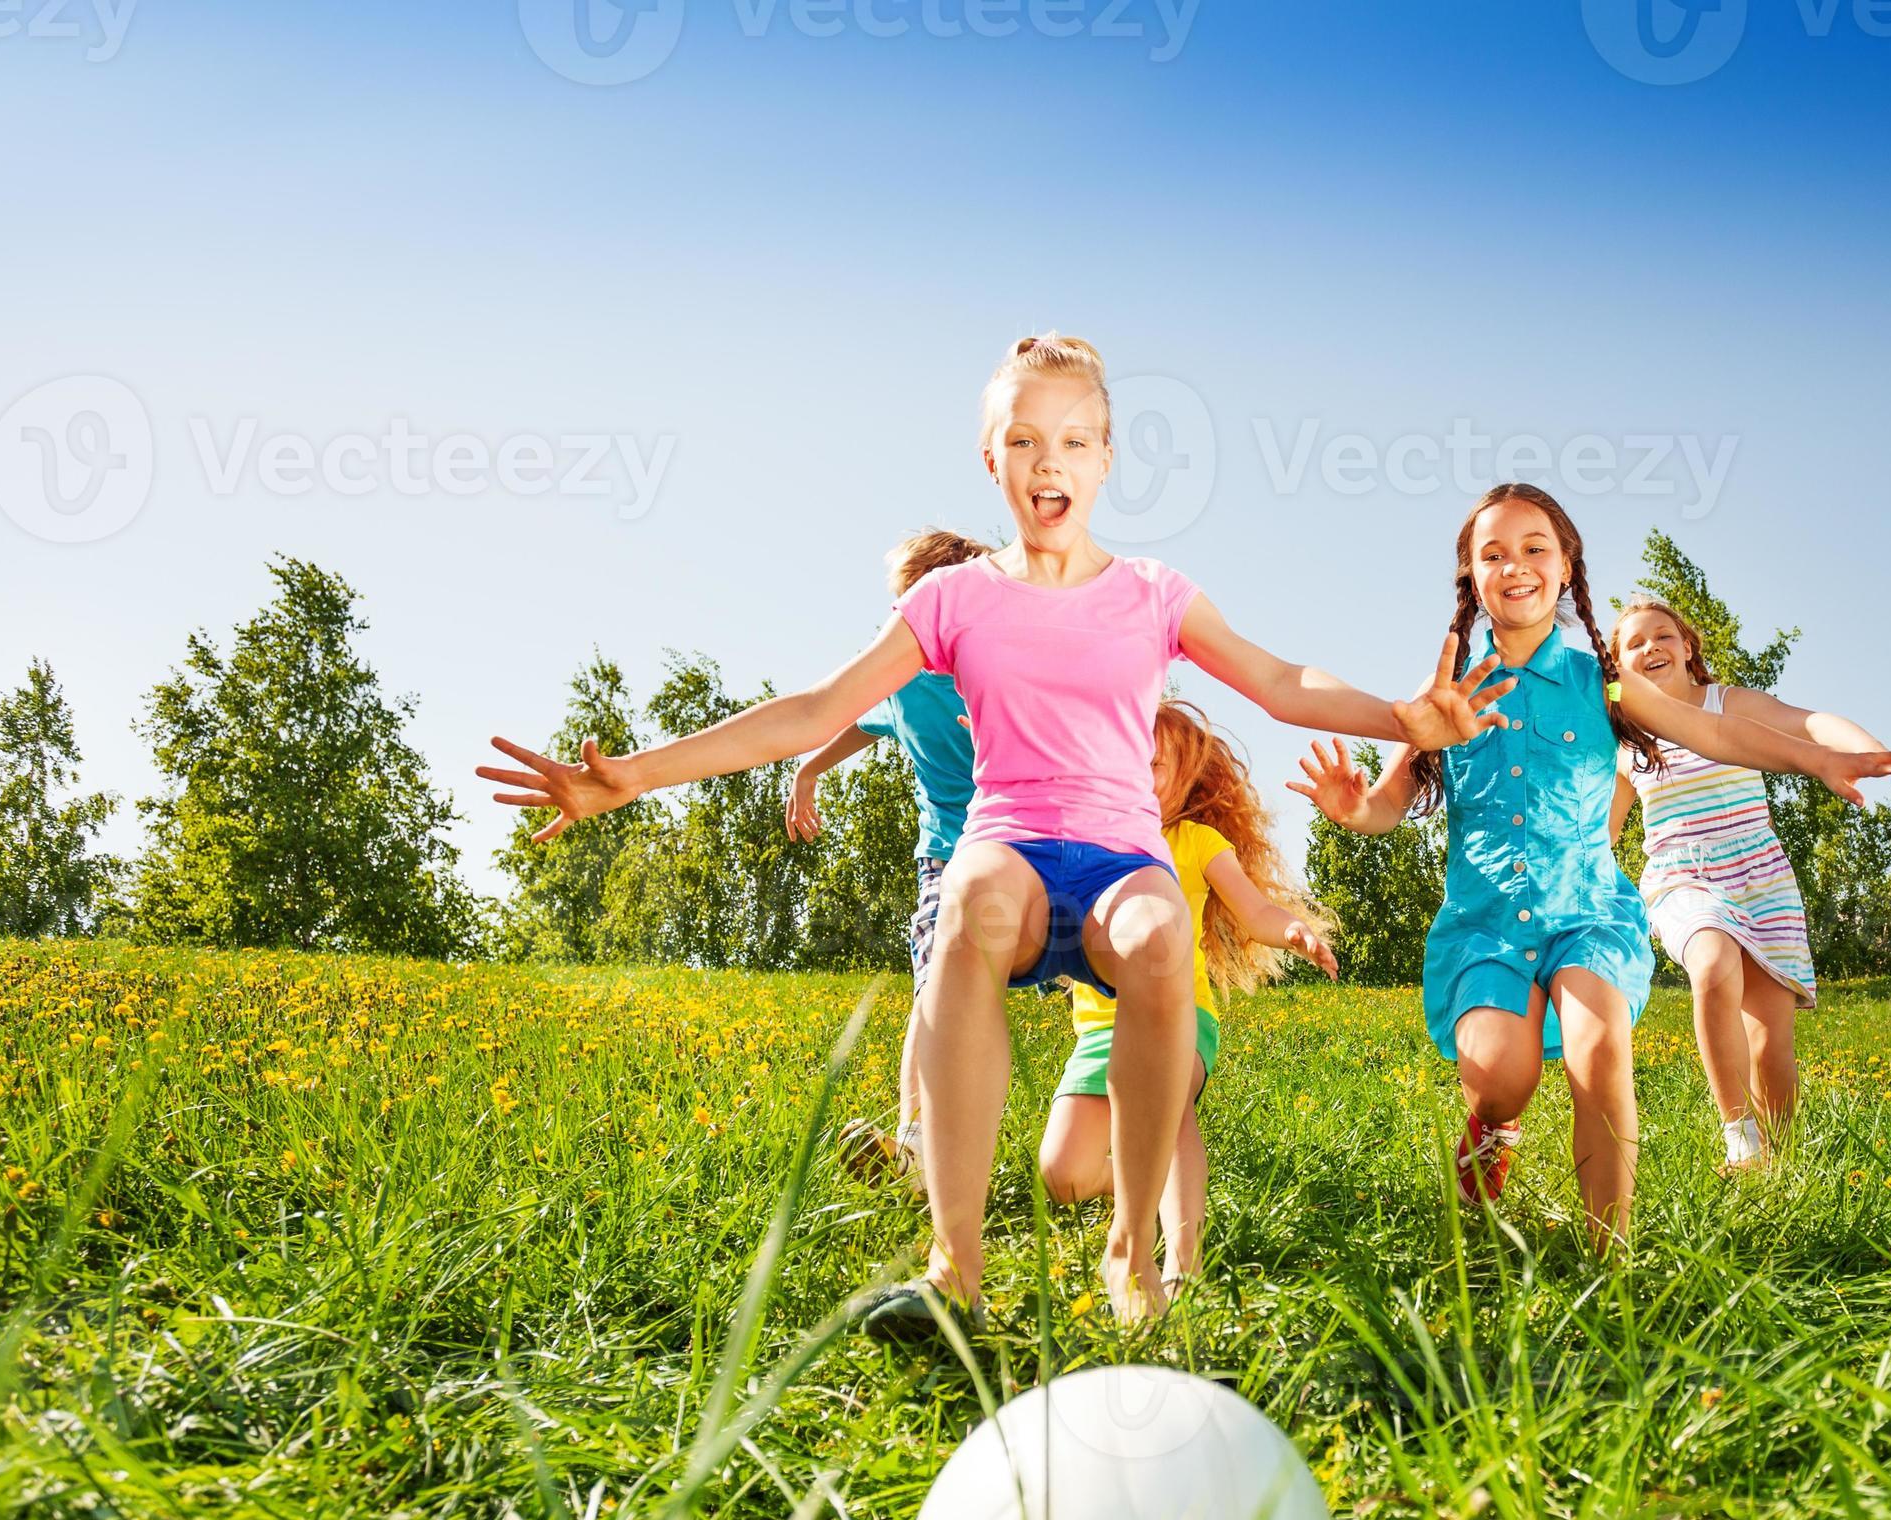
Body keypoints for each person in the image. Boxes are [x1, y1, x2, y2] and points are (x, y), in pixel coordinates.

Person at [483, 334, 1511, 1333]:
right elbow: (816, 707)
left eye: (1073, 440)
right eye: (1023, 440)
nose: (1047, 461)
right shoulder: (955, 598)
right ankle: (955, 1269)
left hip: (1119, 856)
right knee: (970, 907)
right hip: (1007, 845)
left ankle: (1133, 1251)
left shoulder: (1153, 594)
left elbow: (1284, 683)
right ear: (992, 460)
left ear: (1106, 458)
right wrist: (631, 778)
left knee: (1159, 937)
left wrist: (1401, 718)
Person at [1289, 483, 1891, 1240]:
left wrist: (1817, 760)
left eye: (1534, 549)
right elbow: (1388, 805)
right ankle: (1491, 1135)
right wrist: (1349, 807)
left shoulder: (1607, 684)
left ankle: (1607, 1258)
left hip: (1586, 915)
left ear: (1565, 569)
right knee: (1501, 1078)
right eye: (1493, 554)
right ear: (1470, 575)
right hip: (1484, 926)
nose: (1514, 566)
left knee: (1598, 1051)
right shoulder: (1447, 692)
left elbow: (1713, 733)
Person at [1039, 701, 1336, 1290]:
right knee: (1063, 1175)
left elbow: (1255, 912)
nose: (1136, 776)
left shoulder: (1196, 841)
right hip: (1100, 1032)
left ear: (1185, 781)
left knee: (1167, 1105)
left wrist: (1293, 930)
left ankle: (1182, 1265)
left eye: (1153, 766)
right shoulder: (1089, 840)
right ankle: (1131, 1178)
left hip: (1178, 1017)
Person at [1610, 601, 1891, 1169]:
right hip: (1683, 876)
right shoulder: (1628, 743)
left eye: (1663, 636)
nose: (1651, 648)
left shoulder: (1729, 704)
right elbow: (1603, 831)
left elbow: (1808, 723)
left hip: (1760, 877)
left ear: (1688, 647)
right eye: (1635, 643)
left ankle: (1779, 1169)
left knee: (1771, 1045)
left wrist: (1865, 750)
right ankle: (1739, 1136)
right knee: (1712, 960)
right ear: (1618, 665)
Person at [782, 527, 990, 1184]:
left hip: (1022, 850)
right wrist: (807, 772)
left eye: (911, 603)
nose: (899, 620)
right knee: (933, 997)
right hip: (945, 862)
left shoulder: (997, 667)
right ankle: (914, 1153)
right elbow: (855, 721)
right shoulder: (900, 679)